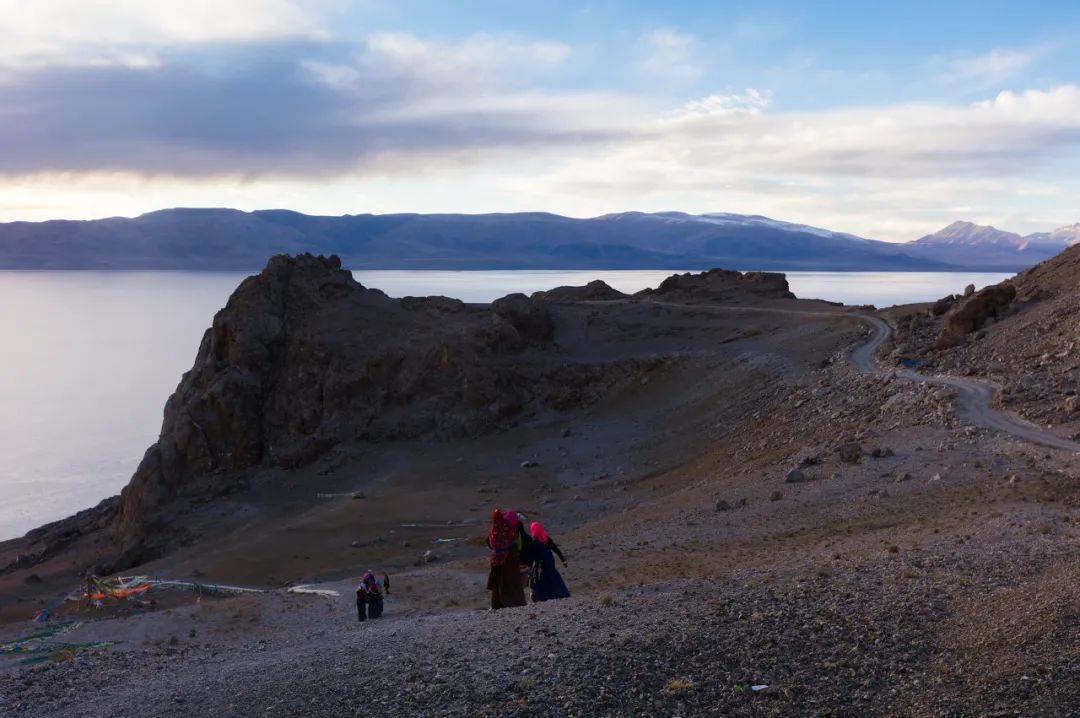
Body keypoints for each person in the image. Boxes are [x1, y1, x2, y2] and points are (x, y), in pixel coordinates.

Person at [485, 509, 527, 609]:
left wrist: (496, 551)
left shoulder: (494, 531)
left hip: (496, 561)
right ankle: (515, 603)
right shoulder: (510, 530)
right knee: (512, 582)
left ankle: (497, 604)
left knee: (498, 583)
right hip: (509, 561)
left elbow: (488, 542)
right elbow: (517, 544)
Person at [525, 521, 570, 603]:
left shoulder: (534, 542)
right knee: (554, 578)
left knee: (541, 580)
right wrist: (563, 560)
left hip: (542, 565)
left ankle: (540, 597)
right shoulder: (546, 538)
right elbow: (555, 549)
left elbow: (531, 555)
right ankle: (561, 594)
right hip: (550, 562)